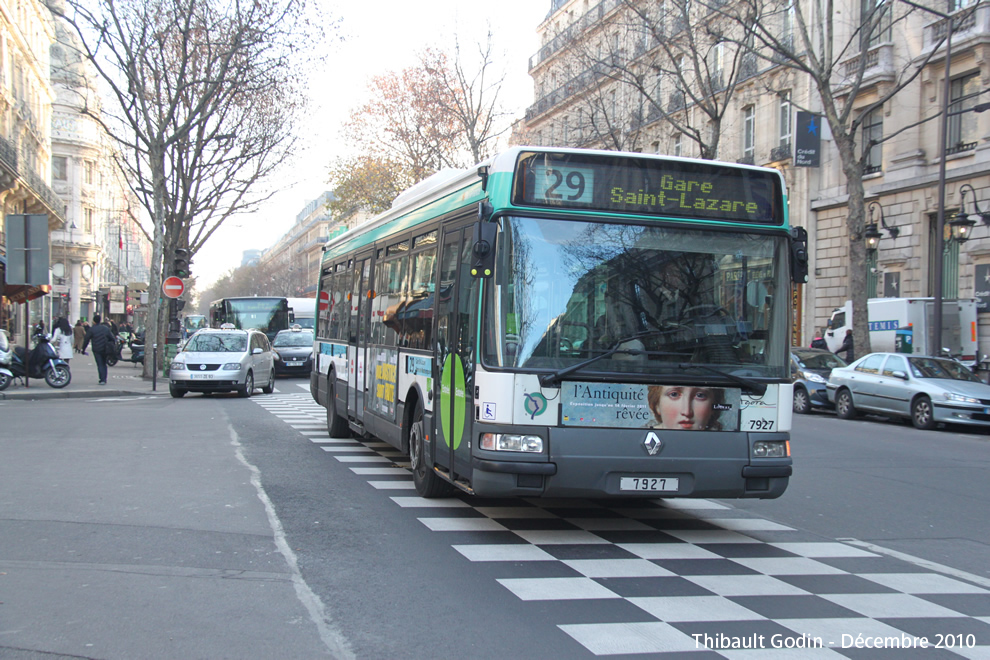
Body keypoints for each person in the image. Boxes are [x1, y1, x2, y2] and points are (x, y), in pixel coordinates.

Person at [647, 385, 725, 431]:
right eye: (674, 394)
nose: (687, 411)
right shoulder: (637, 441)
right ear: (657, 404)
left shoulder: (725, 445)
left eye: (700, 395)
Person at [81, 313, 114, 385]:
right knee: (104, 363)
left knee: (100, 364)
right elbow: (112, 338)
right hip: (105, 348)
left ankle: (102, 379)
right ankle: (104, 379)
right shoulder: (105, 328)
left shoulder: (92, 329)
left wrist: (83, 349)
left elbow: (86, 340)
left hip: (96, 349)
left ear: (93, 321)